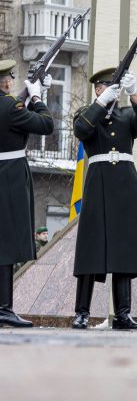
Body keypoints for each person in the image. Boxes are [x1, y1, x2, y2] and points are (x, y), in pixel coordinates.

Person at [72, 68, 137, 330]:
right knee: (90, 249)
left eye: (115, 87)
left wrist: (134, 94)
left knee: (124, 250)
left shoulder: (126, 115)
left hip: (125, 184)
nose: (113, 90)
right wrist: (100, 103)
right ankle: (82, 312)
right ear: (98, 89)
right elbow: (81, 129)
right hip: (98, 183)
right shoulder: (87, 113)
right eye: (108, 87)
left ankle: (123, 314)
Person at [0, 59, 54, 328]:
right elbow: (45, 125)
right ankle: (4, 308)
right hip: (9, 175)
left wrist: (31, 98)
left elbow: (17, 121)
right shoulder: (11, 106)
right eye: (9, 78)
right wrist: (37, 97)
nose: (11, 81)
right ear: (6, 82)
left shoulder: (11, 107)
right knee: (7, 243)